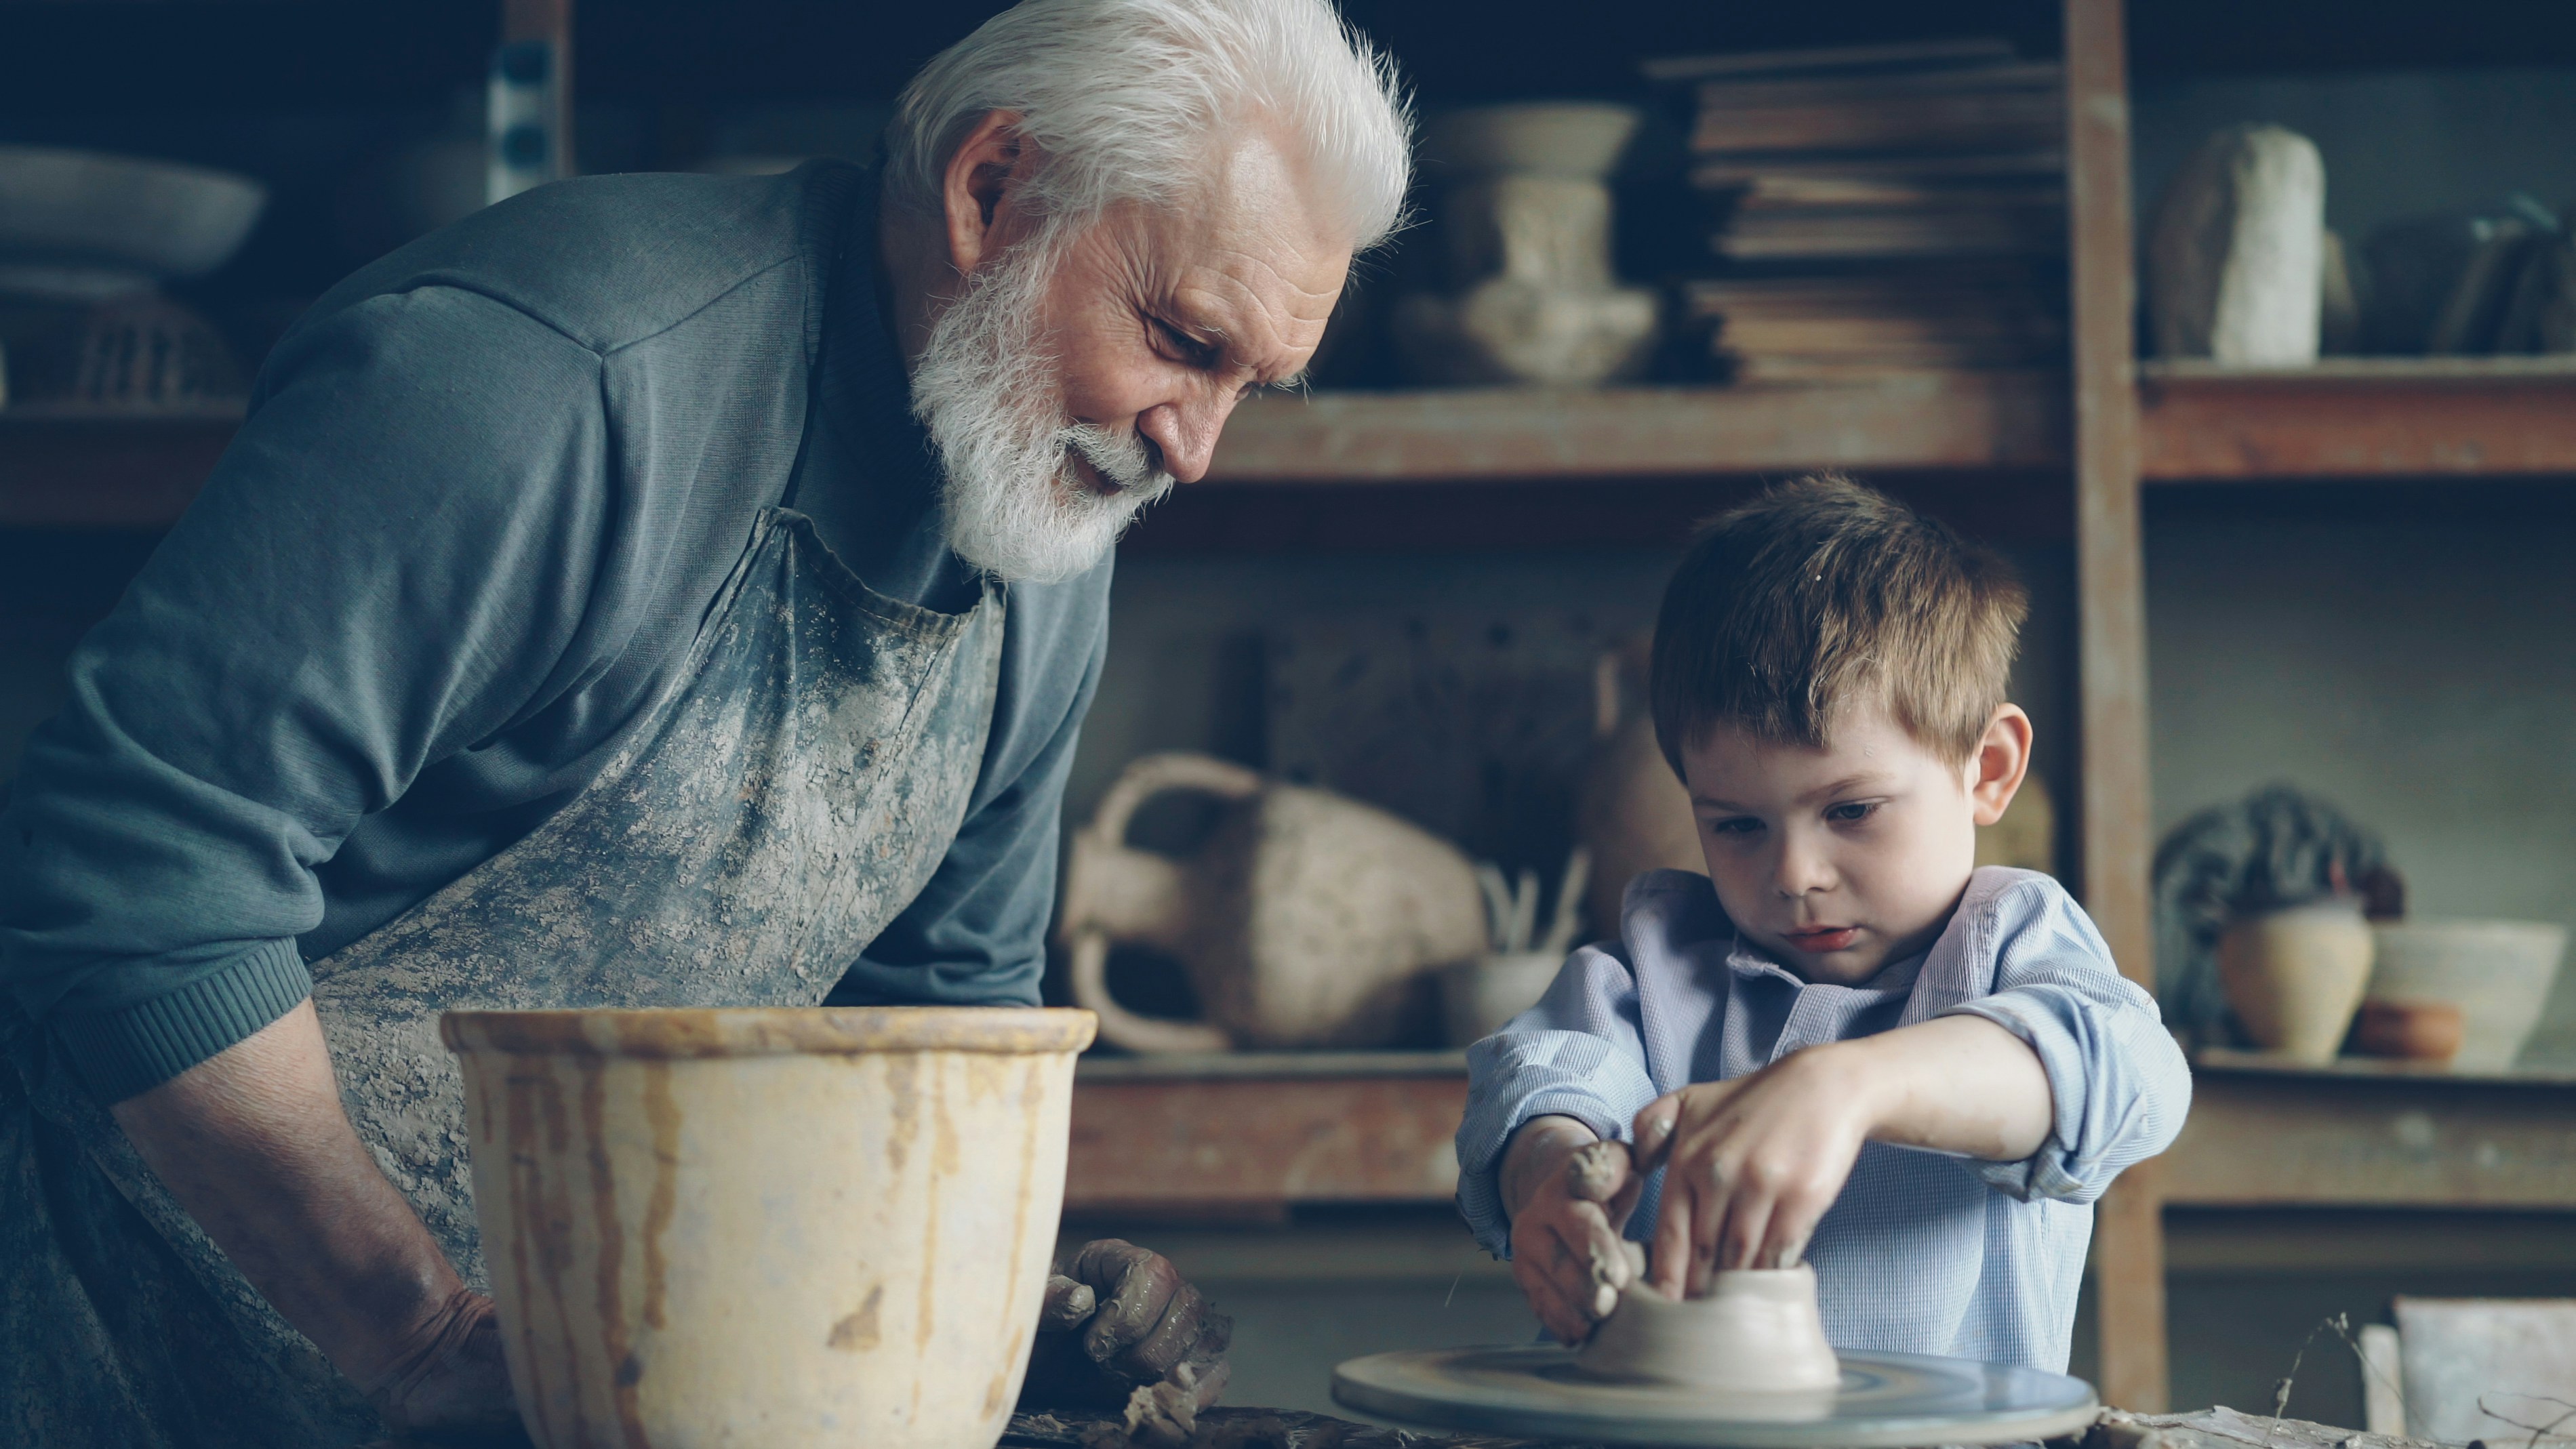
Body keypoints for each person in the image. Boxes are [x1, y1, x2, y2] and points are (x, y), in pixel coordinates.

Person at [0, 1, 1411, 1442]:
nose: (1195, 445)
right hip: (114, 1351)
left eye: (1252, 385)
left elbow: (927, 1044)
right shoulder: (553, 378)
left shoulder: (1042, 526)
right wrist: (421, 1336)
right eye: (1182, 338)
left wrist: (995, 1315)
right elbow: (139, 872)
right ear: (990, 193)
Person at [1456, 476, 2192, 1370]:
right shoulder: (1656, 966)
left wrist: (1848, 1086)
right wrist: (1553, 1178)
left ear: (1987, 768)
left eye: (1852, 812)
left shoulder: (2013, 940)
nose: (1794, 875)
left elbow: (2129, 1075)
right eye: (1736, 824)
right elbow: (1543, 1075)